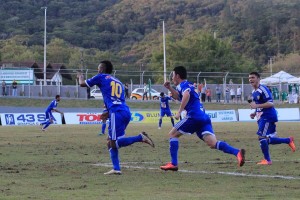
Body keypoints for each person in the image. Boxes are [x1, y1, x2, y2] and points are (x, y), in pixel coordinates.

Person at [160, 66, 245, 171]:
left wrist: (179, 112)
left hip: (194, 116)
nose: (172, 78)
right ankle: (237, 152)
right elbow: (178, 96)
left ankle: (173, 164)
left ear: (177, 76)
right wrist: (169, 88)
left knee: (172, 134)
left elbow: (186, 95)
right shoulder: (186, 85)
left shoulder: (184, 84)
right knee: (212, 143)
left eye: (173, 75)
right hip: (203, 117)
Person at [77, 60, 155, 175]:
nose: (98, 71)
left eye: (99, 68)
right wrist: (108, 113)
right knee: (110, 142)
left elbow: (82, 84)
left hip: (116, 113)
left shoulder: (101, 77)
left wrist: (80, 76)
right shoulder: (117, 81)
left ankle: (140, 137)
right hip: (124, 112)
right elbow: (117, 100)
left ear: (102, 69)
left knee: (113, 143)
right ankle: (116, 168)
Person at [248, 72, 296, 165]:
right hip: (262, 116)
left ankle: (267, 160)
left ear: (258, 78)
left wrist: (256, 105)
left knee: (261, 136)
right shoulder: (254, 92)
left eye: (253, 77)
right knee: (266, 139)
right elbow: (259, 105)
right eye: (249, 78)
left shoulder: (263, 89)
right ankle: (288, 140)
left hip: (267, 116)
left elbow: (270, 103)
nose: (251, 79)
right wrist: (254, 112)